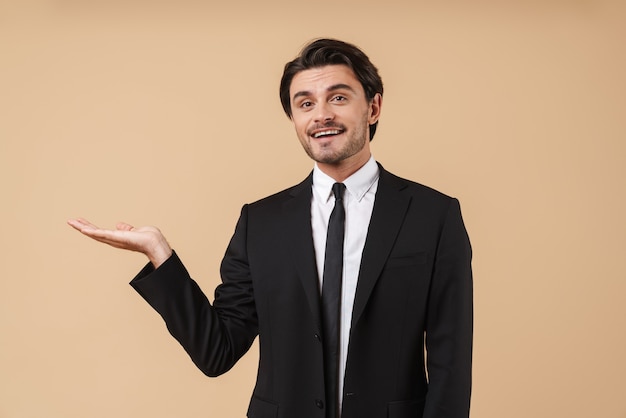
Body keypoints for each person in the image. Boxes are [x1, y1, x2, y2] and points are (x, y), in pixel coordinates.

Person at [68, 38, 473, 418]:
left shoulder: (433, 215)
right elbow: (217, 351)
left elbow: (450, 360)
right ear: (294, 118)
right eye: (305, 103)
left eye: (338, 97)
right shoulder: (259, 223)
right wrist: (160, 254)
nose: (322, 115)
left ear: (373, 107)